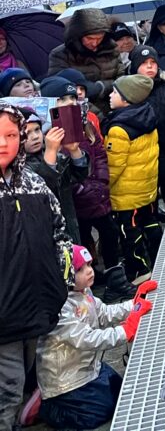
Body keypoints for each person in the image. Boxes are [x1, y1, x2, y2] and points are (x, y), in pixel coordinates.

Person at [25, 247, 156, 430]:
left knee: (118, 391)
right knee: (98, 413)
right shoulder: (58, 309)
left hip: (86, 366)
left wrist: (134, 303)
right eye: (79, 269)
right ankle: (45, 407)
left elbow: (104, 313)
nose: (89, 270)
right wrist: (125, 331)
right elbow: (87, 339)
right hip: (65, 379)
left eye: (89, 264)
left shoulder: (84, 293)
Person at [0, 103, 70, 431]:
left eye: (12, 135)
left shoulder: (32, 182)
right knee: (8, 386)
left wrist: (62, 274)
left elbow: (59, 230)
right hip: (3, 312)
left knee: (26, 378)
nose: (4, 143)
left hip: (36, 301)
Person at [47, 77, 137, 304]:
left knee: (109, 233)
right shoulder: (47, 134)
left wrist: (99, 183)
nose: (68, 104)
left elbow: (98, 156)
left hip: (97, 193)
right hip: (75, 201)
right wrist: (81, 189)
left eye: (72, 98)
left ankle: (115, 280)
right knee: (82, 240)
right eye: (61, 99)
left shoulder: (85, 124)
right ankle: (91, 279)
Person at [104, 74, 162, 280]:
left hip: (126, 195)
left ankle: (140, 271)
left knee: (130, 234)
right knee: (150, 223)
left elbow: (114, 166)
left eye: (115, 92)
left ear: (126, 98)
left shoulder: (119, 129)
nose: (110, 95)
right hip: (146, 188)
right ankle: (160, 258)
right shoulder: (147, 116)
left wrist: (104, 189)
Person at [20, 104, 88, 241]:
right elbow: (43, 189)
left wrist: (74, 150)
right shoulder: (19, 166)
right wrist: (51, 152)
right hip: (45, 235)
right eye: (27, 133)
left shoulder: (54, 155)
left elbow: (80, 175)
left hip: (69, 227)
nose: (35, 137)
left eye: (37, 130)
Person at [47, 9, 128, 115]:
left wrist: (101, 87)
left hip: (115, 109)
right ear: (78, 35)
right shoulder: (61, 54)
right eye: (89, 38)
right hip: (82, 113)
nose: (94, 43)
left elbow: (122, 80)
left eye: (99, 38)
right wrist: (97, 117)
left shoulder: (111, 49)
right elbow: (61, 91)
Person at [129, 46, 165, 212]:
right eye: (144, 63)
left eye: (153, 62)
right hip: (142, 151)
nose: (150, 66)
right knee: (147, 195)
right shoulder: (128, 90)